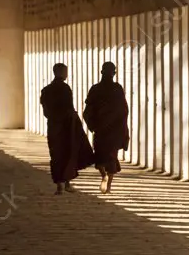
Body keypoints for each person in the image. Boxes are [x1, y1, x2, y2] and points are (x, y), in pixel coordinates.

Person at [40, 63, 94, 195]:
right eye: (65, 71)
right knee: (68, 153)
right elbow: (69, 108)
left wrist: (54, 118)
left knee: (56, 154)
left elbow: (46, 111)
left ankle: (59, 185)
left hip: (53, 126)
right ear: (61, 72)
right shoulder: (65, 89)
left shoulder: (46, 90)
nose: (66, 74)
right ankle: (68, 183)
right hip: (66, 126)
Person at [83, 61, 130, 194]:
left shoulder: (95, 89)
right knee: (110, 156)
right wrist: (123, 128)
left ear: (102, 72)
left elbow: (88, 110)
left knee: (101, 155)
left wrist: (92, 125)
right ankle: (107, 181)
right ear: (113, 73)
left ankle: (105, 177)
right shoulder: (117, 88)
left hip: (101, 128)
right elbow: (124, 110)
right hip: (112, 129)